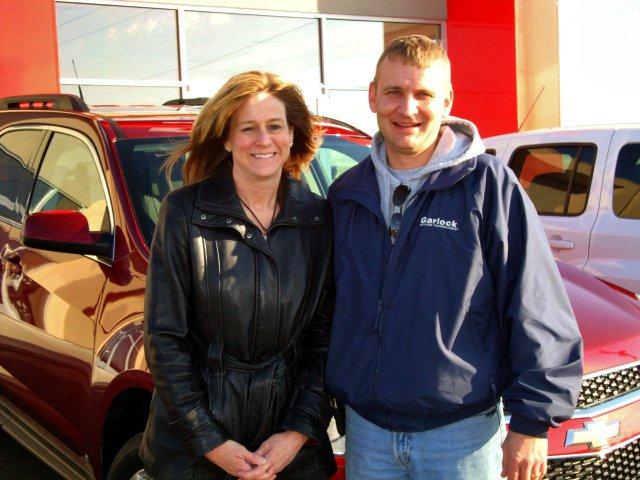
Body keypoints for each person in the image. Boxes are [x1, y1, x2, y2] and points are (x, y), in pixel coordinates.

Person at [326, 35, 583, 480]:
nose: (407, 109)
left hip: (460, 437)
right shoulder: (347, 193)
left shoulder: (488, 185)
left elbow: (535, 304)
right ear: (373, 96)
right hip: (367, 434)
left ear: (446, 101)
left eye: (423, 94)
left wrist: (532, 422)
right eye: (393, 92)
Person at [139, 71, 337, 480]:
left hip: (288, 453)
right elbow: (165, 339)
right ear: (227, 139)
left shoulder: (319, 218)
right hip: (195, 453)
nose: (263, 140)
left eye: (274, 126)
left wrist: (298, 433)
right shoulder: (183, 214)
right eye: (248, 128)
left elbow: (325, 339)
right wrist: (209, 441)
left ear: (292, 135)